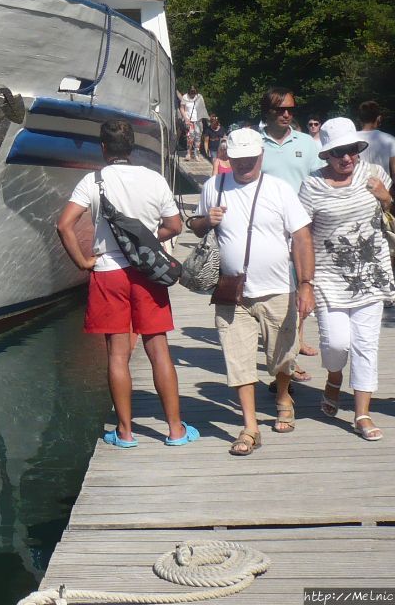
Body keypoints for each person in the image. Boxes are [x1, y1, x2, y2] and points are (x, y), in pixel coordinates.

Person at [57, 119, 197, 448]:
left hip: (107, 273)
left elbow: (64, 225)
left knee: (117, 355)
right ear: (131, 146)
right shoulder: (154, 179)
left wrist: (82, 261)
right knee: (158, 350)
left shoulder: (92, 181)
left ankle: (125, 432)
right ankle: (175, 431)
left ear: (103, 148)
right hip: (147, 273)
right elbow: (175, 226)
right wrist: (146, 242)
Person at [190, 127, 315, 455]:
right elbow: (196, 224)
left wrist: (306, 285)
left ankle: (283, 393)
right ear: (228, 157)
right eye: (238, 158)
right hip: (232, 291)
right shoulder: (213, 186)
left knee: (282, 354)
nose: (244, 164)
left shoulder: (279, 189)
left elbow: (301, 237)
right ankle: (250, 426)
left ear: (261, 156)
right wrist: (207, 221)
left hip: (277, 288)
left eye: (250, 158)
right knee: (238, 358)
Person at [297, 117, 394, 442]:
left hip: (371, 274)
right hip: (328, 277)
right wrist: (304, 282)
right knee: (336, 343)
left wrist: (385, 197)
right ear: (326, 154)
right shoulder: (311, 186)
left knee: (366, 344)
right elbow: (303, 234)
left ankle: (361, 414)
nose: (347, 158)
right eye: (339, 152)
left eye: (352, 150)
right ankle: (335, 377)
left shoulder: (374, 175)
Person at [258, 87, 322, 369]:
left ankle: (294, 345)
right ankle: (285, 348)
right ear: (267, 112)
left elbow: (317, 181)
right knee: (277, 289)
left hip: (301, 227)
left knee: (301, 284)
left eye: (291, 109)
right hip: (266, 228)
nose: (286, 114)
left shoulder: (307, 143)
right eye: (280, 109)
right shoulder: (255, 143)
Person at [358, 101, 395, 217]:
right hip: (385, 192)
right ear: (379, 118)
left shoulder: (351, 140)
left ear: (359, 119)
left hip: (359, 195)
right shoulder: (390, 140)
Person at [180, 88, 208, 160]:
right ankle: (188, 154)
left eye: (194, 94)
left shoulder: (199, 97)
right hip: (189, 120)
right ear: (189, 93)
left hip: (198, 120)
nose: (192, 95)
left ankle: (196, 154)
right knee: (190, 137)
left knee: (198, 138)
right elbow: (182, 108)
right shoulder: (185, 97)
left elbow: (203, 107)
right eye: (191, 94)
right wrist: (185, 118)